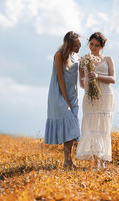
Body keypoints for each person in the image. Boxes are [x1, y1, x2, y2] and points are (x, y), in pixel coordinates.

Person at [75, 32, 116, 170]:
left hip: (105, 95)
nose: (93, 48)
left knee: (103, 127)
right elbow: (81, 82)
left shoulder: (108, 59)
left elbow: (113, 79)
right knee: (91, 126)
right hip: (90, 96)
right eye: (91, 44)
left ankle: (102, 159)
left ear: (102, 46)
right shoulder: (84, 60)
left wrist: (97, 76)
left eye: (97, 46)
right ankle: (95, 161)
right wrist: (89, 83)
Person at [44, 31, 82, 168]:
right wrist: (65, 99)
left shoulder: (76, 55)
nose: (79, 48)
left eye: (79, 44)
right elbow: (60, 78)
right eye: (76, 45)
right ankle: (68, 161)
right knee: (69, 125)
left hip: (73, 94)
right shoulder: (59, 55)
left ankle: (68, 161)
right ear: (69, 45)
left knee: (71, 130)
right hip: (59, 94)